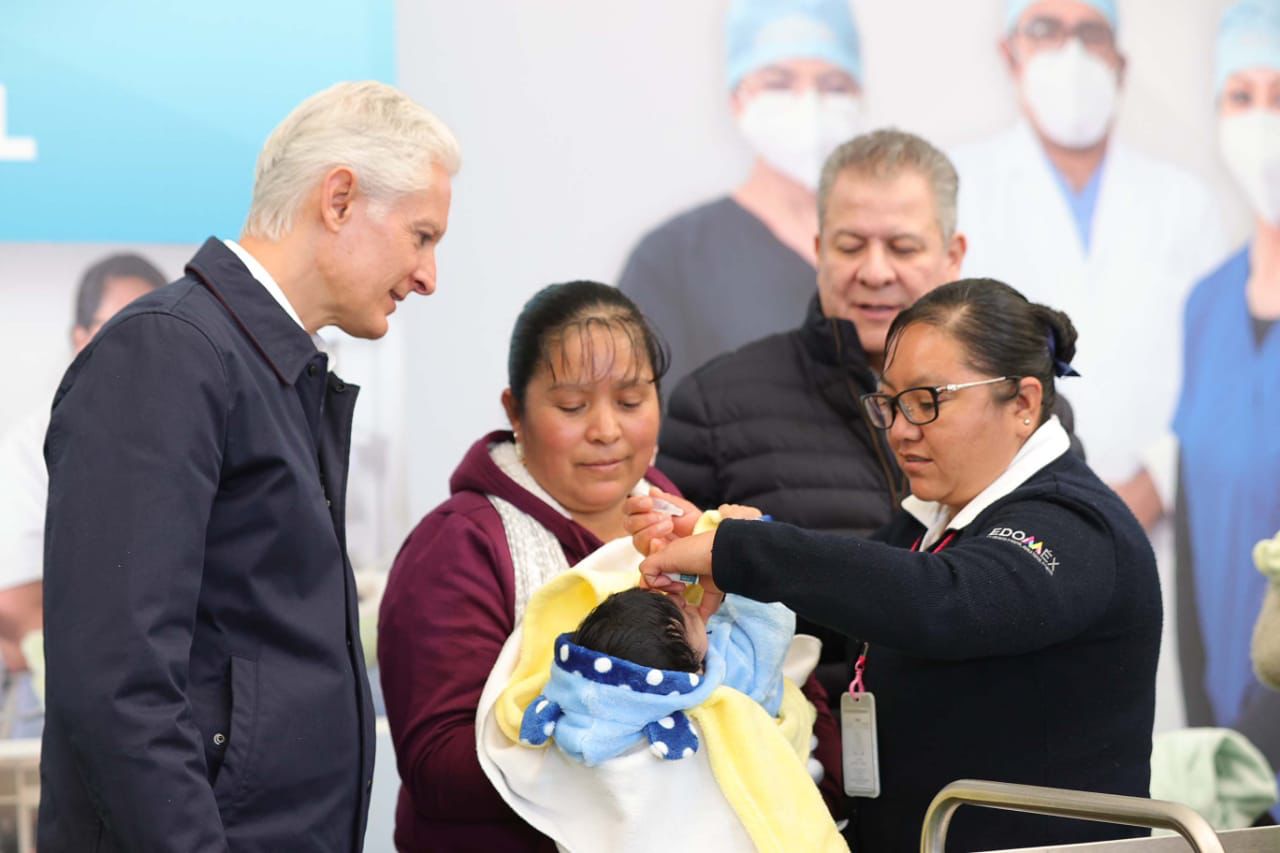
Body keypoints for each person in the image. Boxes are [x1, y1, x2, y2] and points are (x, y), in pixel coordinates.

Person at [38, 81, 460, 852]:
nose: (429, 275)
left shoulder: (269, 370)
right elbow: (117, 683)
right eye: (422, 235)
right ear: (338, 199)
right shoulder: (167, 354)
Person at [631, 279, 1162, 851]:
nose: (903, 429)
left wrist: (745, 549)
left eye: (928, 400)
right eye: (891, 403)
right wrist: (712, 548)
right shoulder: (933, 520)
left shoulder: (1076, 524)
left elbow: (945, 602)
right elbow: (836, 608)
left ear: (1025, 404)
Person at [378, 281, 843, 850]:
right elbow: (438, 768)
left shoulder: (693, 527)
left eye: (629, 401)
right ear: (515, 412)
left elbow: (779, 682)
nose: (606, 430)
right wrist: (619, 721)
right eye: (572, 406)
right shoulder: (458, 547)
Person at [951, 0, 1226, 493]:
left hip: (1155, 514)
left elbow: (1215, 373)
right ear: (1009, 52)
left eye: (1091, 33)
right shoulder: (956, 188)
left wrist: (1152, 487)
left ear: (1120, 64)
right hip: (1004, 502)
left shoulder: (1186, 203)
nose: (1070, 53)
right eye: (1045, 29)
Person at [1130, 0, 1280, 813]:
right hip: (1223, 736)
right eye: (1242, 95)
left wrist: (1256, 740)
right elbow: (1192, 534)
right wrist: (1208, 742)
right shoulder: (1208, 305)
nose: (1263, 121)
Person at [619, 0, 864, 392]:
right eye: (779, 83)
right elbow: (644, 429)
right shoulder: (673, 262)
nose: (811, 106)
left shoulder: (901, 248)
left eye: (834, 86)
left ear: (859, 97)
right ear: (738, 99)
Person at [0, 253, 166, 738]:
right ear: (80, 339)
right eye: (120, 323)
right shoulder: (35, 446)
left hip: (168, 702)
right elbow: (16, 603)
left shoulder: (192, 440)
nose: (142, 344)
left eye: (159, 326)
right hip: (56, 700)